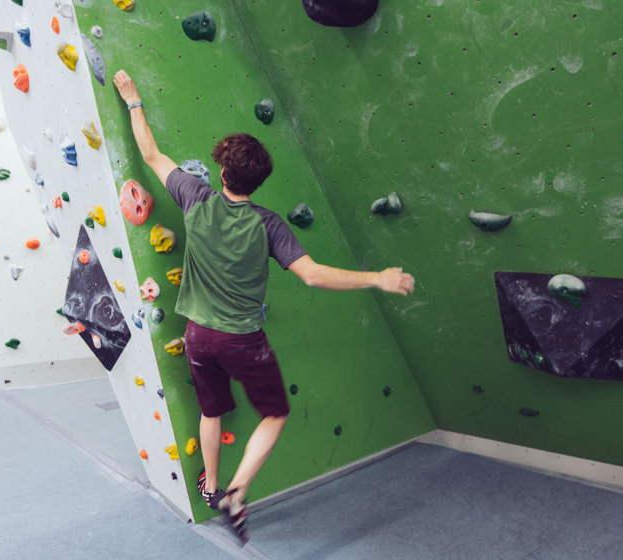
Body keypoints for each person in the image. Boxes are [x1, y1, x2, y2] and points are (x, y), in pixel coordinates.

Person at [114, 69, 415, 545]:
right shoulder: (269, 225)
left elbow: (150, 152)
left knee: (210, 411)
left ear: (222, 173)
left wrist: (132, 100)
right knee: (273, 414)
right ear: (258, 181)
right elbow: (313, 275)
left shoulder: (196, 197)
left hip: (197, 337)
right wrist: (378, 277)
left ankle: (211, 488)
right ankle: (237, 491)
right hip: (243, 342)